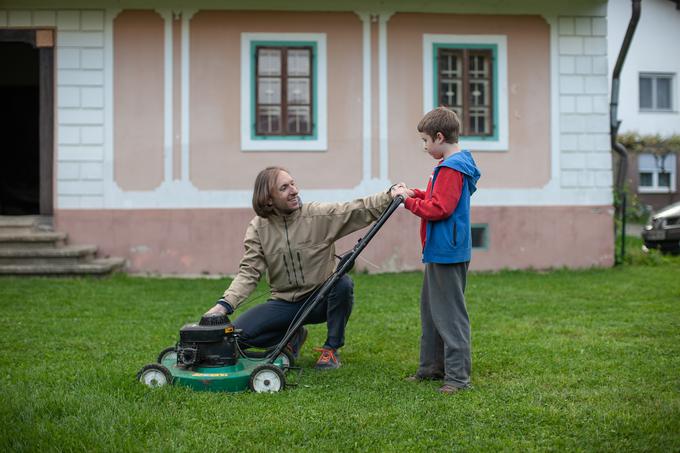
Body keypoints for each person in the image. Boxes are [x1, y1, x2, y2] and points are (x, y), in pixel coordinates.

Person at [205, 167, 403, 369]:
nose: (294, 190)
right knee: (237, 338)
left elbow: (355, 209)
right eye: (284, 187)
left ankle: (331, 349)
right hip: (284, 304)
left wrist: (390, 194)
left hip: (321, 299)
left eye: (293, 183)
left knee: (342, 283)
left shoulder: (317, 215)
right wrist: (224, 305)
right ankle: (293, 336)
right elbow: (249, 272)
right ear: (269, 198)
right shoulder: (258, 228)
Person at [392, 107, 481, 394]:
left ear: (439, 137)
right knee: (431, 311)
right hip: (438, 249)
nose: (424, 146)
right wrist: (412, 193)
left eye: (425, 141)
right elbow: (434, 197)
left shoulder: (452, 169)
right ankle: (430, 368)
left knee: (450, 315)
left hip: (447, 251)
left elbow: (440, 208)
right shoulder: (447, 166)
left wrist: (407, 204)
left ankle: (457, 378)